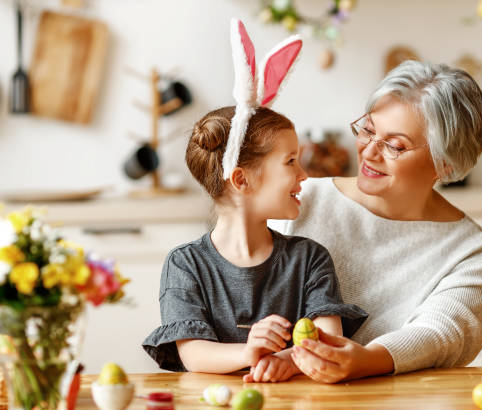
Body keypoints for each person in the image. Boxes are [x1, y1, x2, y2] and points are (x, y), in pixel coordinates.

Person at [142, 19, 367, 383]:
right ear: (241, 180)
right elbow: (193, 352)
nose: (304, 175)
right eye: (290, 162)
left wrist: (292, 360)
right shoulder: (185, 264)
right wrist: (250, 351)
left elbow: (331, 337)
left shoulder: (309, 259)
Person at [268, 60, 482, 383]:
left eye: (395, 146)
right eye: (367, 130)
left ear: (445, 164)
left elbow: (443, 332)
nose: (369, 152)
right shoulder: (298, 200)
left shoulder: (474, 252)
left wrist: (369, 359)